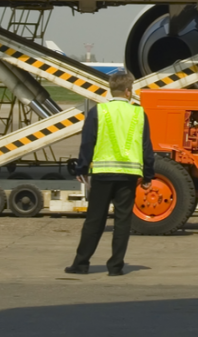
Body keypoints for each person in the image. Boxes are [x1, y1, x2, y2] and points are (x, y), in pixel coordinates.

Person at [65, 71, 154, 276]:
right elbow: (147, 148)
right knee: (122, 222)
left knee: (94, 220)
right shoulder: (140, 114)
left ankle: (81, 264)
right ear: (128, 91)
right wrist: (148, 176)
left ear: (110, 90)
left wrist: (82, 168)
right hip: (129, 175)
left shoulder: (98, 112)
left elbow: (87, 142)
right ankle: (115, 267)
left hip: (103, 173)